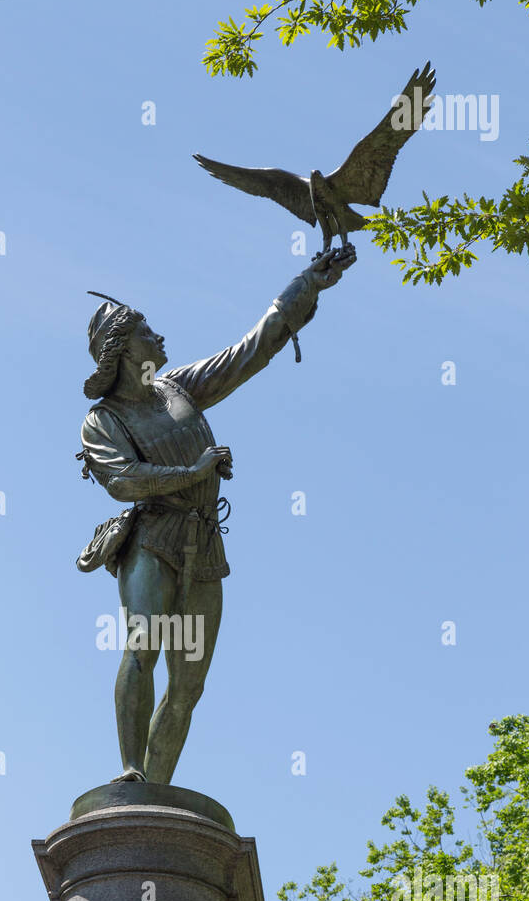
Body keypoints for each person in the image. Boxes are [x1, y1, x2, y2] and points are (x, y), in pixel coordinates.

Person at [77, 244, 356, 785]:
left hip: (203, 546)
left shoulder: (179, 388)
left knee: (189, 685)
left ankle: (156, 795)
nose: (159, 339)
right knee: (143, 647)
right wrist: (193, 471)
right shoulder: (103, 420)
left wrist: (307, 286)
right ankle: (131, 771)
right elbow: (122, 480)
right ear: (126, 349)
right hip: (153, 539)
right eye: (147, 333)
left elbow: (249, 351)